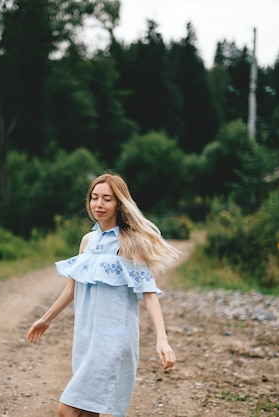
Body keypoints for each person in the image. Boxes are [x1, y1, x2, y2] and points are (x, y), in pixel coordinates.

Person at [27, 172, 181, 417]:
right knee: (89, 411)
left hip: (114, 337)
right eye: (94, 198)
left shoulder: (130, 242)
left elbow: (149, 293)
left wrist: (162, 339)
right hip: (87, 335)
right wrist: (46, 319)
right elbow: (73, 287)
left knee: (67, 409)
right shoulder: (87, 241)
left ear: (119, 203)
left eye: (107, 199)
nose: (99, 204)